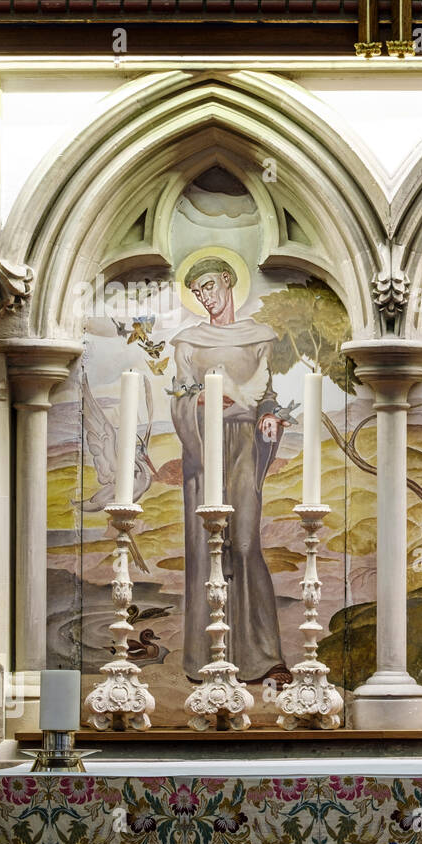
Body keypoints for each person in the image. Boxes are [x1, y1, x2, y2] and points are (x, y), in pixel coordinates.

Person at [169, 257, 289, 685]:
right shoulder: (188, 343)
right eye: (197, 293)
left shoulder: (258, 338)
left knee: (244, 542)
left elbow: (266, 395)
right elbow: (181, 396)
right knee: (206, 549)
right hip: (204, 450)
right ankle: (206, 657)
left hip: (243, 447)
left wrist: (270, 417)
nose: (205, 298)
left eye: (209, 286)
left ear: (227, 281)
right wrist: (201, 403)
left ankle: (262, 655)